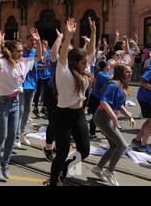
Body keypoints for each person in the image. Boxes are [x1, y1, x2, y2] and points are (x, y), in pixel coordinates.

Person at [0, 27, 42, 182]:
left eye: (21, 51)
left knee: (13, 136)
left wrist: (38, 41)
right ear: (11, 51)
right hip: (2, 103)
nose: (21, 53)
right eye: (18, 51)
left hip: (15, 102)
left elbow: (39, 56)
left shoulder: (23, 63)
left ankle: (5, 164)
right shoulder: (3, 63)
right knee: (2, 135)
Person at [47, 17, 96, 186]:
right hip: (64, 116)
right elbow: (62, 56)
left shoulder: (83, 71)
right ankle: (54, 182)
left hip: (79, 114)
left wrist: (94, 32)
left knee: (84, 151)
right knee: (61, 153)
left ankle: (66, 168)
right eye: (83, 63)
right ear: (75, 62)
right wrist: (68, 36)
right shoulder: (64, 71)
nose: (86, 65)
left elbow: (91, 53)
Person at [92, 63, 135, 186]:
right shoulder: (113, 84)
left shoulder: (119, 85)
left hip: (106, 117)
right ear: (121, 73)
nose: (130, 74)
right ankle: (109, 172)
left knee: (114, 146)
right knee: (121, 145)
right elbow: (104, 101)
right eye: (127, 72)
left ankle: (98, 168)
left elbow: (118, 104)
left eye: (130, 71)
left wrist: (129, 116)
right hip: (103, 117)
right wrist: (114, 117)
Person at [42, 29, 63, 162]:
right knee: (54, 122)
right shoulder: (57, 61)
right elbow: (53, 54)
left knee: (63, 123)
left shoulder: (72, 64)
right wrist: (60, 38)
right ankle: (48, 148)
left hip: (64, 95)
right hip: (52, 93)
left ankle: (58, 147)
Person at [17, 34, 38, 149]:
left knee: (27, 110)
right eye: (31, 40)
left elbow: (40, 57)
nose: (33, 42)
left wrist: (36, 84)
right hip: (22, 84)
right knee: (19, 110)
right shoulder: (22, 51)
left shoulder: (35, 51)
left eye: (35, 41)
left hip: (32, 84)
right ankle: (16, 136)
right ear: (27, 40)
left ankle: (22, 132)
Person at [87, 60, 111, 141]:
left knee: (101, 116)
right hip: (96, 98)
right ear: (105, 66)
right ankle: (92, 134)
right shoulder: (102, 75)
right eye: (108, 65)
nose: (109, 67)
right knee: (95, 117)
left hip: (99, 98)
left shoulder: (103, 74)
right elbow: (109, 79)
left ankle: (102, 131)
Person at [132, 65, 151, 154]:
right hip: (146, 98)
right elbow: (142, 81)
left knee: (149, 120)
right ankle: (143, 145)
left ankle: (137, 140)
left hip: (147, 98)